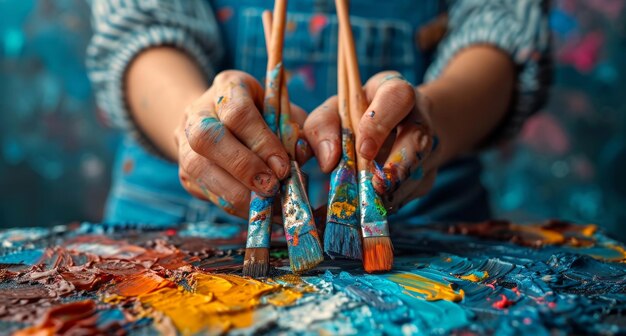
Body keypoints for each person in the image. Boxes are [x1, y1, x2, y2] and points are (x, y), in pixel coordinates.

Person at [86, 0, 551, 229]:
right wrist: (193, 122)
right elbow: (139, 25)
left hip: (430, 218)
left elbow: (503, 25)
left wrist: (430, 117)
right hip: (169, 216)